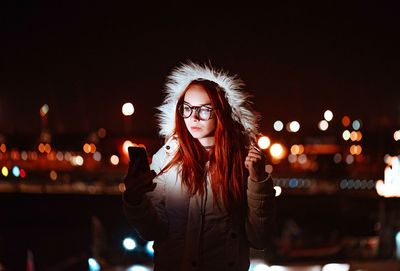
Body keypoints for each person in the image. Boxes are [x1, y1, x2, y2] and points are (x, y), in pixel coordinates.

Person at [123, 61, 276, 271]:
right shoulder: (167, 158)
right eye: (186, 108)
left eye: (204, 110)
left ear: (222, 112)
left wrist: (258, 182)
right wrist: (135, 199)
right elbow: (153, 232)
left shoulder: (243, 161)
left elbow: (259, 238)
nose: (193, 117)